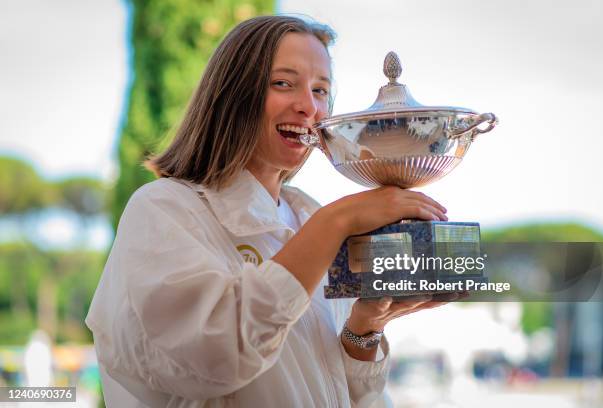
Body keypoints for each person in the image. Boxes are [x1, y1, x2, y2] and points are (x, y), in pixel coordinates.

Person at [86, 15, 455, 408]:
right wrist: (337, 220)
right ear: (232, 94)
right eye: (283, 83)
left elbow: (352, 397)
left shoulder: (306, 217)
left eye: (320, 90)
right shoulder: (164, 209)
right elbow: (213, 356)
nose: (308, 106)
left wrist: (364, 329)